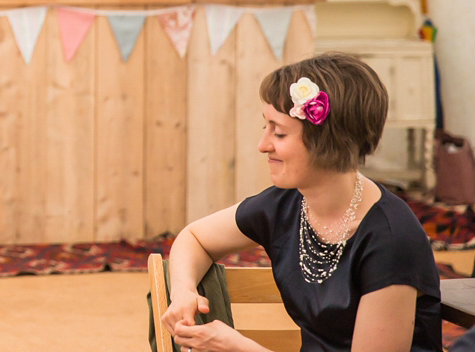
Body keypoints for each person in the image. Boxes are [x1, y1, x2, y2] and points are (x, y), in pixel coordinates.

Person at [161, 52, 442, 352]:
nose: (263, 145)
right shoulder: (287, 203)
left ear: (327, 142)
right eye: (265, 127)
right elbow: (194, 238)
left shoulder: (391, 239)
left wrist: (238, 348)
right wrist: (183, 293)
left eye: (279, 132)